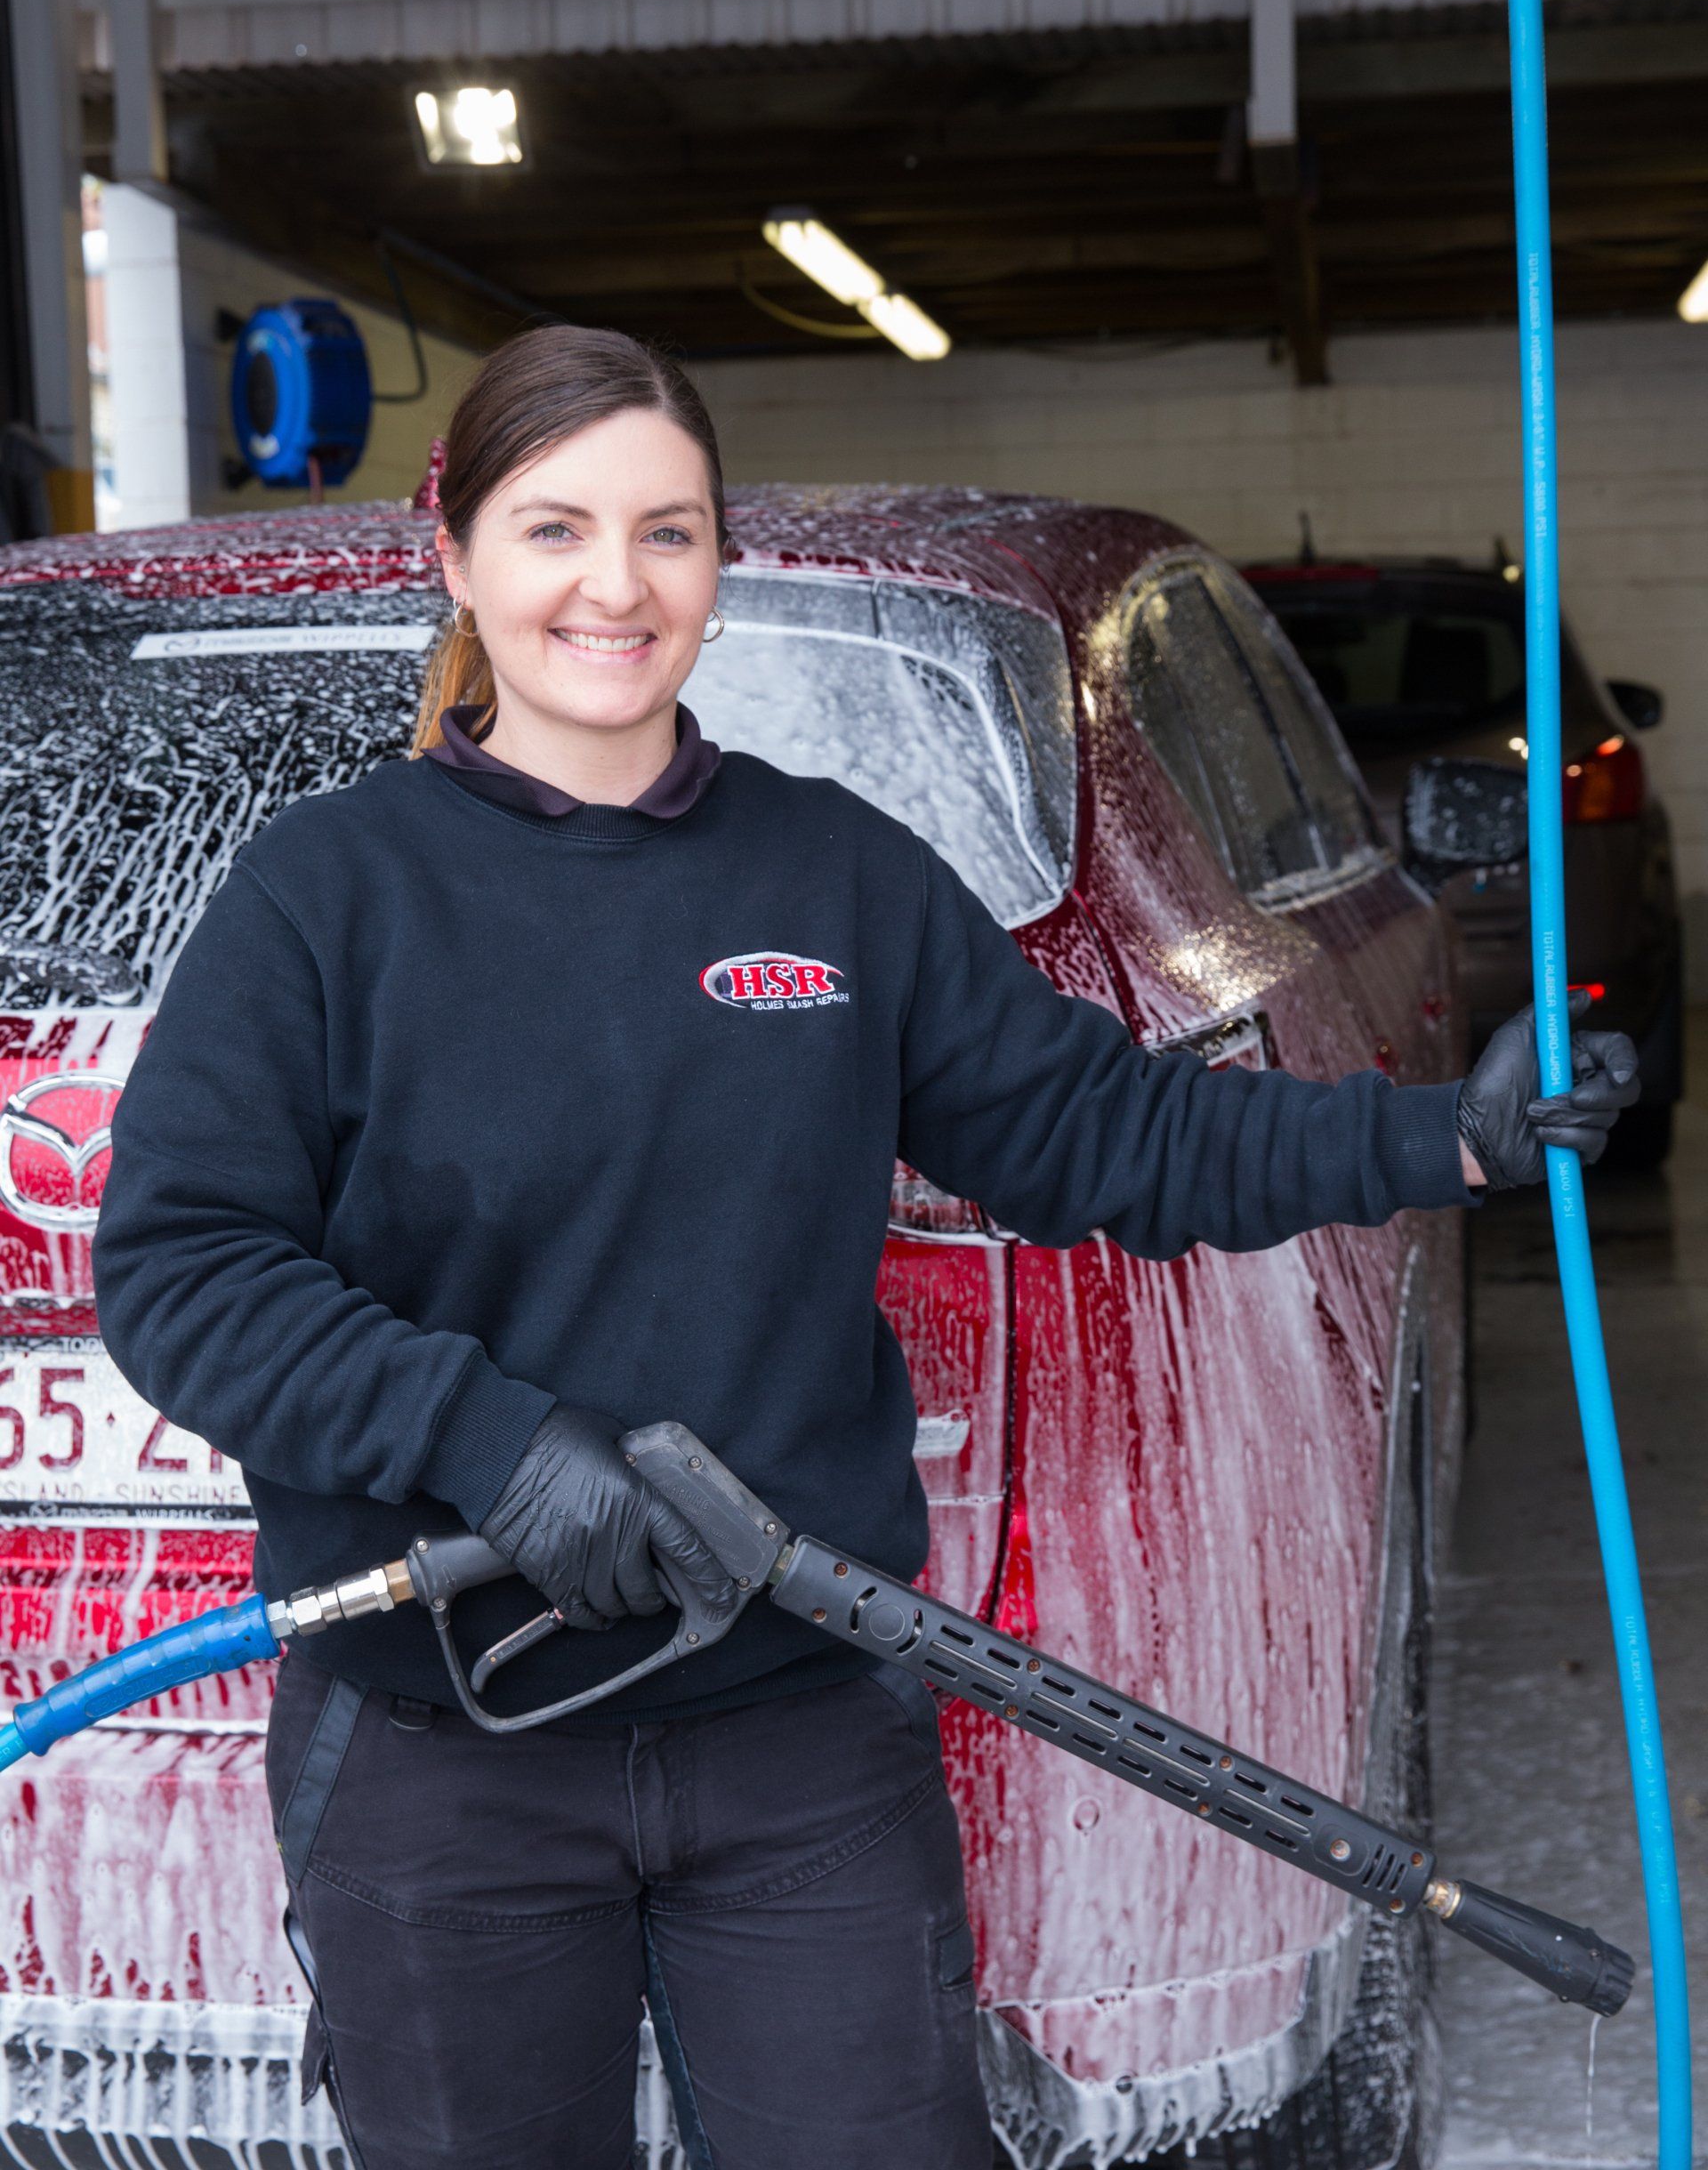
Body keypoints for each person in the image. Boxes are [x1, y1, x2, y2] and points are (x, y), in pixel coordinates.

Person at [93, 327, 1639, 2170]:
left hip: (798, 1734)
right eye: (555, 528)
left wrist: (1446, 1135)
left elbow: (1103, 1130)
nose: (614, 585)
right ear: (458, 557)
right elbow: (185, 1268)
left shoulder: (832, 872)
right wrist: (488, 1444)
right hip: (448, 1761)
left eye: (667, 532)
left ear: (716, 561)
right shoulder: (325, 894)